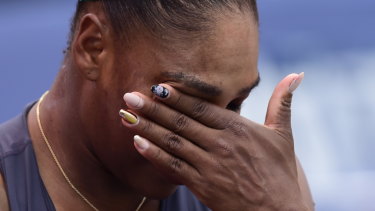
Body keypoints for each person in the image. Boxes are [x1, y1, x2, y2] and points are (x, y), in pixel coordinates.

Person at [0, 0, 314, 210]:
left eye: (234, 105)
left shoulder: (262, 183)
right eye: (185, 104)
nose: (216, 141)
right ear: (93, 48)